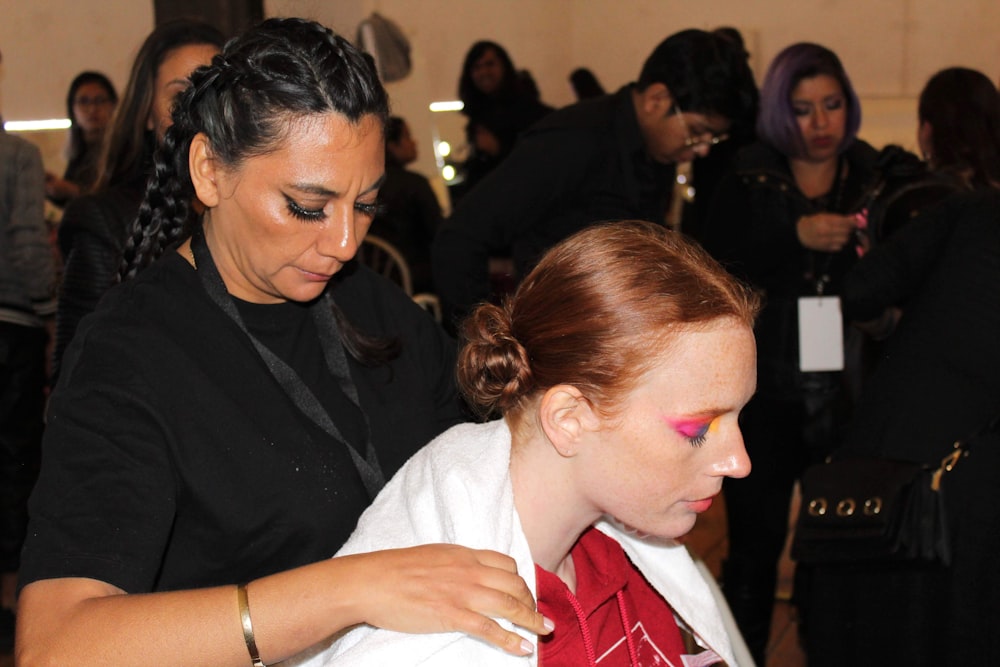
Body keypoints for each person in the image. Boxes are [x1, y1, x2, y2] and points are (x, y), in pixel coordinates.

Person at [17, 18, 551, 667]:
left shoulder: (370, 304)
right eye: (307, 206)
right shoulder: (129, 353)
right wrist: (350, 587)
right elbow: (58, 646)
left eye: (366, 205)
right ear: (209, 170)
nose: (346, 243)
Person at [288, 221, 759, 666]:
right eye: (698, 429)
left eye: (740, 417)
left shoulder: (636, 561)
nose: (740, 463)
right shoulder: (435, 644)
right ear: (570, 420)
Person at [701, 42, 878, 666]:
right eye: (803, 109)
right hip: (765, 395)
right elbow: (712, 267)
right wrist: (789, 236)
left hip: (849, 395)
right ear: (780, 112)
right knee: (753, 547)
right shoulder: (746, 175)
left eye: (832, 105)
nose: (821, 122)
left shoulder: (874, 173)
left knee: (838, 547)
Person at [433, 28, 758, 333]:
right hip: (557, 345)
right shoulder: (574, 141)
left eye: (712, 139)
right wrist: (484, 343)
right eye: (698, 131)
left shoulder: (655, 149)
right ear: (657, 99)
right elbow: (461, 236)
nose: (701, 149)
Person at [803, 189, 1000, 666]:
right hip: (973, 487)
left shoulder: (971, 210)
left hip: (890, 468)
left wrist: (900, 324)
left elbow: (854, 291)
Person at [51, 19, 225, 381]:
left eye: (217, 93)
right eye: (180, 95)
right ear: (147, 113)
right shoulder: (105, 221)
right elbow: (76, 375)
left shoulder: (256, 212)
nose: (200, 111)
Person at [0, 47, 57, 652]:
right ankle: (14, 594)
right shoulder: (16, 154)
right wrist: (46, 315)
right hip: (9, 323)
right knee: (15, 462)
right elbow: (26, 246)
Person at [449, 40, 553, 204]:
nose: (483, 72)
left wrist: (499, 150)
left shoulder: (528, 109)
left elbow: (541, 160)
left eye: (490, 64)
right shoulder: (478, 115)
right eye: (476, 67)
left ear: (504, 67)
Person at [367, 116, 442, 294]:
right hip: (412, 276)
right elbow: (438, 232)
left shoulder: (364, 185)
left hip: (371, 275)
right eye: (407, 136)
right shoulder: (415, 184)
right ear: (392, 146)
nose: (414, 142)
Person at [44, 71, 118, 205]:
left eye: (100, 101)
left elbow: (119, 200)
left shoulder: (124, 149)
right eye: (84, 101)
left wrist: (72, 190)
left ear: (113, 106)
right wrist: (52, 187)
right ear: (72, 109)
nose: (92, 109)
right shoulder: (79, 151)